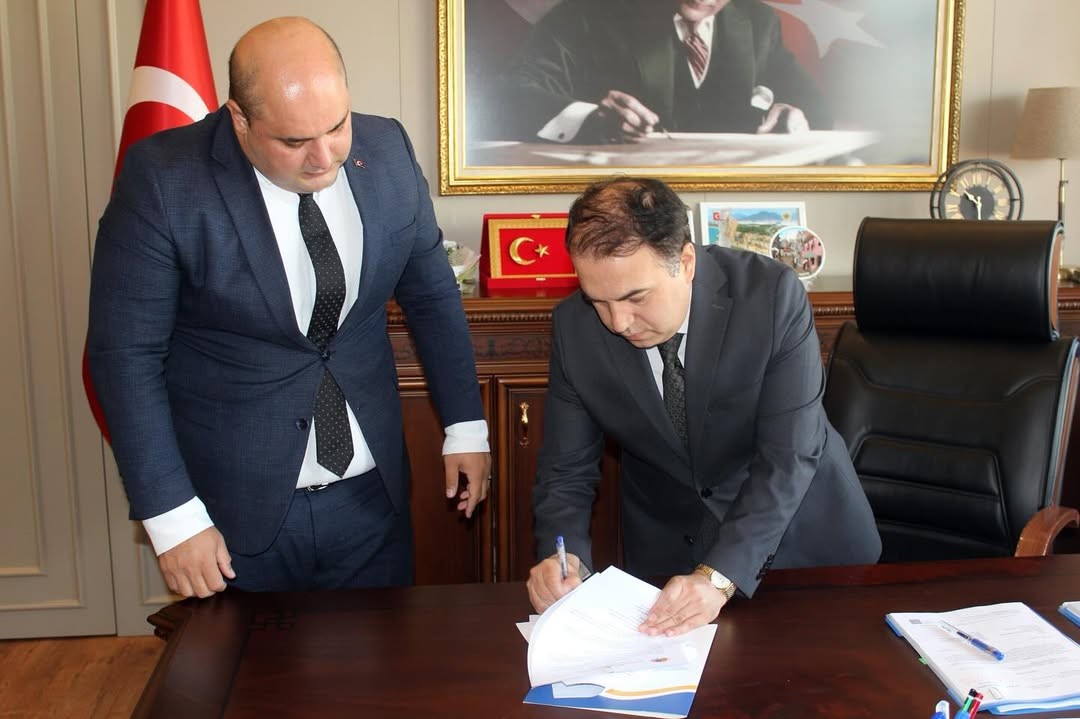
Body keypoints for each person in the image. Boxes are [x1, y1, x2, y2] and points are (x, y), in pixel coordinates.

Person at [87, 17, 491, 598]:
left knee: (381, 655)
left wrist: (465, 427)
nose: (324, 157)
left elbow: (431, 298)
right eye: (294, 142)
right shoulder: (165, 179)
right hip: (231, 511)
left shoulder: (388, 149)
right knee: (243, 662)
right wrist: (173, 518)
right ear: (239, 119)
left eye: (338, 126)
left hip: (371, 498)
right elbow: (125, 356)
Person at [527, 177, 879, 635]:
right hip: (668, 564)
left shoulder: (770, 296)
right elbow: (566, 471)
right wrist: (563, 556)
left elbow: (788, 457)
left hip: (801, 552)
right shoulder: (574, 328)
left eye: (635, 297)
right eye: (599, 301)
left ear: (686, 262)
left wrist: (719, 575)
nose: (618, 322)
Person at [484, 0, 831, 144]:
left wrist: (793, 114)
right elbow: (509, 95)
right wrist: (590, 118)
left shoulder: (758, 21)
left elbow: (817, 108)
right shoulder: (589, 13)